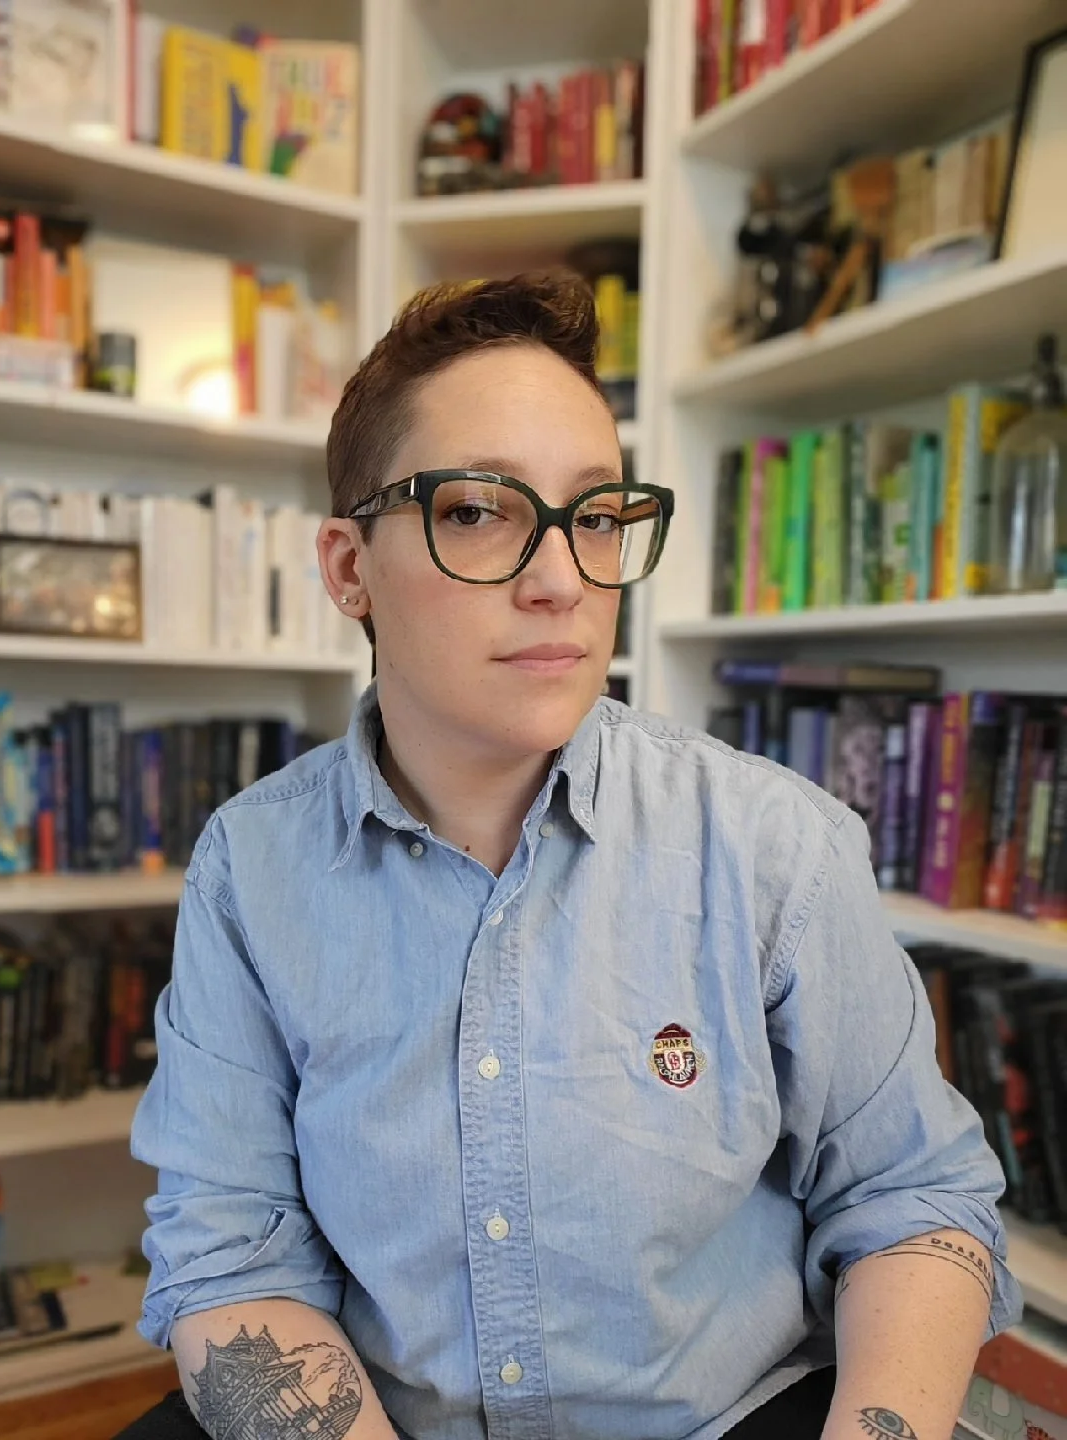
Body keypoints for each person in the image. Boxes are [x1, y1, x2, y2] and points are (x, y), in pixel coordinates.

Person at [120, 272, 1021, 1440]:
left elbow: (910, 1198)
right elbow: (231, 1251)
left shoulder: (770, 844)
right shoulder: (251, 870)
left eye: (595, 519)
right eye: (480, 510)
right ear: (350, 569)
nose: (560, 580)